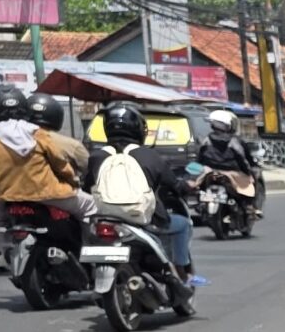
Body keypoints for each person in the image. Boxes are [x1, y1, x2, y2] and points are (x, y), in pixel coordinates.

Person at [86, 100, 204, 288]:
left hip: (105, 218)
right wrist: (187, 186)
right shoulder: (149, 156)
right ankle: (182, 272)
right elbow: (174, 185)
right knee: (182, 225)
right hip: (143, 218)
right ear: (138, 129)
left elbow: (87, 187)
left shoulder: (97, 157)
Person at [0, 82, 92, 237]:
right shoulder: (36, 133)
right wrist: (72, 181)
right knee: (90, 206)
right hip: (46, 193)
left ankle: (1, 250)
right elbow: (59, 163)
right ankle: (88, 247)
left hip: (2, 196)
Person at [199, 108, 265, 209]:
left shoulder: (206, 139)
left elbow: (200, 157)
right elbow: (243, 159)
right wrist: (248, 171)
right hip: (233, 173)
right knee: (251, 182)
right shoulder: (235, 141)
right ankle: (249, 206)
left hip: (209, 171)